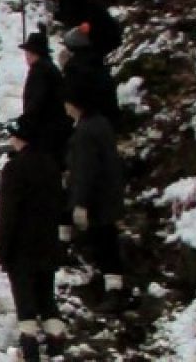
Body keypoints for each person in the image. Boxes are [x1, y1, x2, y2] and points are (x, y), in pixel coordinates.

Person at [0, 114, 66, 362]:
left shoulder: (14, 169)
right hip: (48, 243)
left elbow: (8, 213)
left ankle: (30, 349)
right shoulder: (51, 165)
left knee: (25, 300)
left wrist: (1, 250)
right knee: (47, 296)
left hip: (21, 248)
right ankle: (57, 345)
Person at [63, 75, 126, 313]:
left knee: (104, 244)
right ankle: (113, 287)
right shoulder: (100, 123)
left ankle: (113, 291)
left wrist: (80, 203)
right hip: (108, 196)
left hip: (97, 200)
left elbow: (85, 171)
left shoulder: (85, 133)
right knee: (107, 241)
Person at [19, 31, 70, 169]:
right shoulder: (50, 69)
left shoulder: (39, 72)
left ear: (32, 53)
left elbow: (36, 103)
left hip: (45, 136)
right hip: (57, 134)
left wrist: (23, 127)